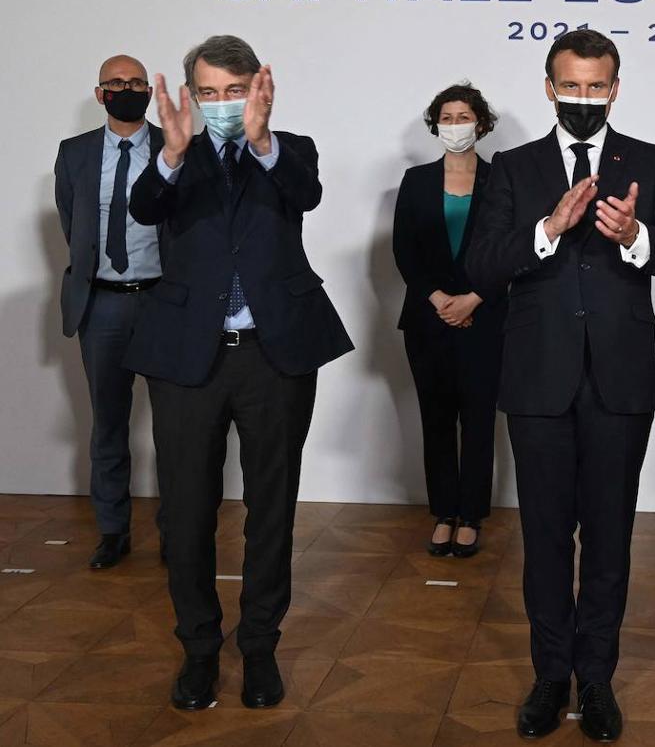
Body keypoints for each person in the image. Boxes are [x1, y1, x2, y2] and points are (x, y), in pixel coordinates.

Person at [467, 30, 655, 743]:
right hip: (538, 379)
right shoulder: (513, 167)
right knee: (544, 539)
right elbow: (481, 267)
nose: (583, 97)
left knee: (608, 539)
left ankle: (595, 679)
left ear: (616, 88)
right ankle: (549, 677)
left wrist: (636, 236)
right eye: (571, 85)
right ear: (548, 86)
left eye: (597, 86)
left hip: (620, 382)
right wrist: (547, 227)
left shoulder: (651, 163)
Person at [126, 35, 353, 711]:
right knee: (187, 512)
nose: (222, 104)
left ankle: (259, 648)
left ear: (259, 87)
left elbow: (304, 195)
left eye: (234, 90)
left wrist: (260, 141)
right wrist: (169, 151)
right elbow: (144, 208)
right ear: (192, 95)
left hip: (272, 354)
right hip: (185, 360)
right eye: (210, 92)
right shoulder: (172, 154)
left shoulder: (291, 150)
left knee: (271, 510)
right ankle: (199, 651)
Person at [54, 55, 165, 569]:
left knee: (176, 429)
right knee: (108, 426)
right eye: (116, 84)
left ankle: (176, 534)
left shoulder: (176, 147)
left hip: (166, 303)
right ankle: (113, 531)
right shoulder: (74, 153)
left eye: (136, 82)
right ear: (100, 94)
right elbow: (73, 224)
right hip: (100, 304)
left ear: (148, 89)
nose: (127, 89)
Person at [393, 83, 503, 558]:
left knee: (478, 420)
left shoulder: (504, 180)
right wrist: (440, 299)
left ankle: (472, 515)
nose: (455, 125)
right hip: (427, 319)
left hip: (486, 316)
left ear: (481, 123)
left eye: (464, 116)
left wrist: (473, 298)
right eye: (447, 117)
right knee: (435, 418)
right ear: (435, 124)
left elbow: (512, 253)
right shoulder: (415, 180)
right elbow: (403, 250)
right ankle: (444, 512)